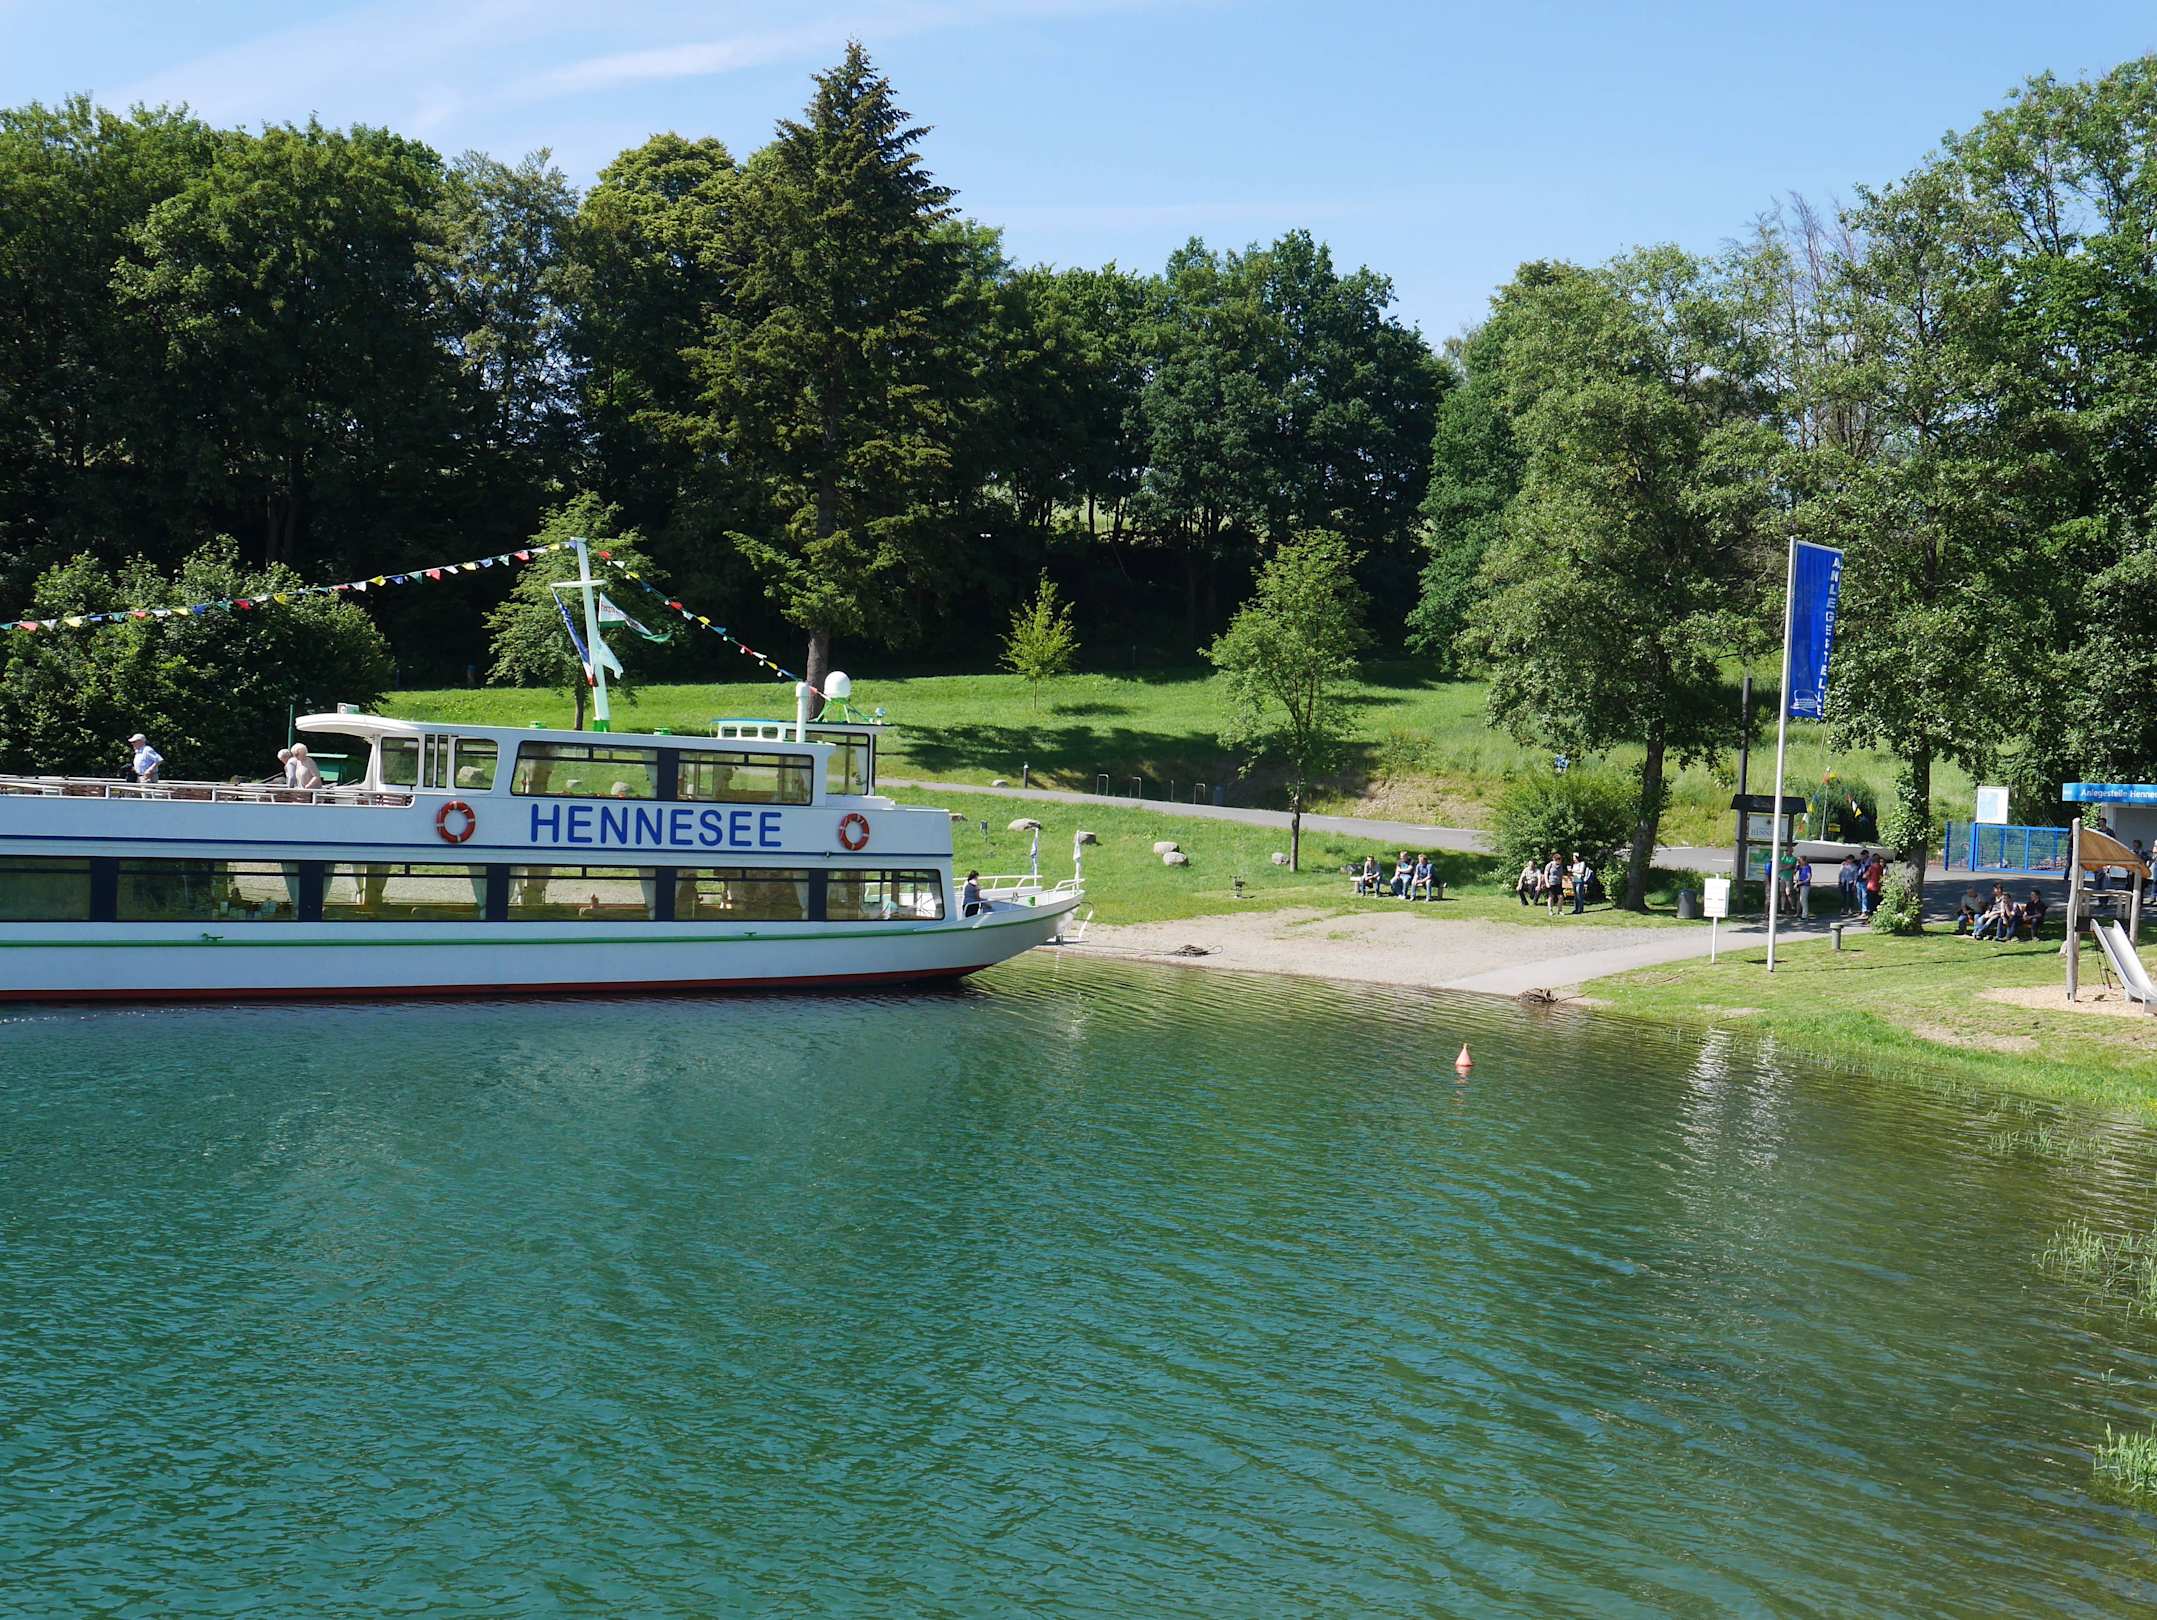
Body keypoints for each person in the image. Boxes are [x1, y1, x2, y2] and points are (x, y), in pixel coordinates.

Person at [1861, 854, 1883, 920]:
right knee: (1877, 903)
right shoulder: (1880, 867)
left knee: (1870, 904)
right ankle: (1876, 917)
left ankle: (1871, 918)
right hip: (1878, 887)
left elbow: (1864, 876)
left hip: (1871, 887)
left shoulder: (1872, 867)